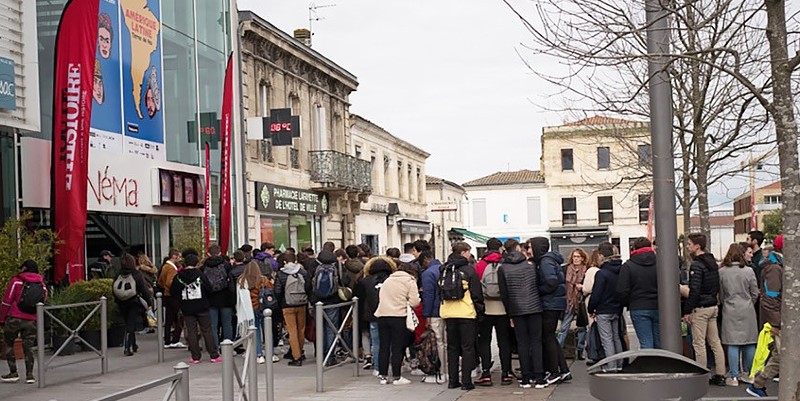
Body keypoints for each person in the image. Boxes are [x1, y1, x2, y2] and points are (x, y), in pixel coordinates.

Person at [498, 239, 547, 389]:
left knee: (522, 343)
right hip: (534, 307)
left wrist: (510, 314)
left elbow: (504, 294)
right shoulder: (531, 266)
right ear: (519, 248)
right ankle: (539, 377)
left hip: (516, 309)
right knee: (536, 342)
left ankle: (525, 378)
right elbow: (538, 285)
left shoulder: (503, 268)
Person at [440, 242, 484, 391]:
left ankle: (453, 380)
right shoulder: (469, 271)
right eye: (469, 252)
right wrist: (480, 312)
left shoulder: (444, 270)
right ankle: (466, 381)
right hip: (466, 313)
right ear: (464, 252)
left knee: (452, 348)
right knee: (467, 348)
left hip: (448, 313)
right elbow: (476, 294)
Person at [683, 233, 726, 386]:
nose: (687, 247)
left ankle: (702, 375)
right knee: (715, 342)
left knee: (699, 343)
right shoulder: (712, 263)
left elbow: (694, 290)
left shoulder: (696, 265)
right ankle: (720, 374)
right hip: (712, 306)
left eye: (689, 244)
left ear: (697, 246)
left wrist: (687, 310)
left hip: (700, 308)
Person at [529, 237, 569, 384]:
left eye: (530, 247)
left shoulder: (545, 262)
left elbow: (551, 282)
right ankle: (563, 370)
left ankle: (554, 372)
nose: (528, 250)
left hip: (550, 303)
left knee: (548, 337)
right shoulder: (550, 260)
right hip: (556, 302)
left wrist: (538, 291)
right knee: (551, 336)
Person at [746, 234, 783, 398]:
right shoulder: (774, 268)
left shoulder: (775, 266)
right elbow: (771, 296)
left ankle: (758, 383)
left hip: (780, 318)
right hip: (779, 319)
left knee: (780, 354)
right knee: (781, 354)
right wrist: (776, 322)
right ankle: (758, 383)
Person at [374, 261, 420, 385]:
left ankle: (383, 375)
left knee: (384, 346)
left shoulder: (388, 281)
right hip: (399, 316)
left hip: (382, 315)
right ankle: (396, 376)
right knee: (397, 347)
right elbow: (415, 302)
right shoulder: (410, 281)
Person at [474, 237, 513, 386]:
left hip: (485, 308)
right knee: (504, 342)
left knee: (484, 341)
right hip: (503, 309)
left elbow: (476, 287)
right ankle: (506, 374)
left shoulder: (480, 265)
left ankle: (486, 374)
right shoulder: (505, 263)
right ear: (500, 249)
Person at [718, 243, 758, 386]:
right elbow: (755, 292)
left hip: (730, 308)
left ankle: (733, 375)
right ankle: (748, 373)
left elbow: (721, 295)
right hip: (747, 308)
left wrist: (726, 303)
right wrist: (749, 302)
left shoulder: (722, 272)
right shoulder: (749, 271)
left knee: (732, 343)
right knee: (749, 342)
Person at [0, 260, 47, 384]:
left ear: (24, 268)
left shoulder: (17, 281)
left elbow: (7, 300)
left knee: (9, 343)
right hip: (32, 319)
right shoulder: (41, 283)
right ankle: (30, 375)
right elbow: (44, 300)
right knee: (29, 347)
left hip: (14, 317)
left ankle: (13, 373)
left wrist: (2, 318)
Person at [170, 253, 221, 364]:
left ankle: (195, 356)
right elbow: (209, 289)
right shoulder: (200, 274)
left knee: (191, 331)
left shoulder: (178, 276)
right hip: (202, 306)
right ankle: (213, 354)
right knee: (207, 330)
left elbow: (173, 291)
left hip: (187, 307)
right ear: (196, 263)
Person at [616, 237, 660, 349]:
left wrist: (628, 303)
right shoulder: (660, 263)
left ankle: (649, 365)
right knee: (659, 342)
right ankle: (660, 365)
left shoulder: (628, 265)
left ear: (634, 248)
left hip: (638, 306)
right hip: (659, 306)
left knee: (646, 343)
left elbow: (622, 290)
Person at [356, 256, 396, 376]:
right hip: (390, 313)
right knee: (391, 342)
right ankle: (392, 367)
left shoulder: (365, 281)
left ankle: (378, 368)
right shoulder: (392, 279)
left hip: (373, 315)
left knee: (376, 343)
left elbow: (360, 299)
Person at [588, 242, 624, 372]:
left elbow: (596, 294)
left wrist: (591, 309)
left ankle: (611, 366)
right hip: (617, 308)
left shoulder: (602, 273)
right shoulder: (620, 270)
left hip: (603, 309)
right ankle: (619, 364)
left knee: (606, 339)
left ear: (601, 255)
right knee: (616, 337)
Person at [274, 252, 312, 366]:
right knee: (301, 329)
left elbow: (278, 290)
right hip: (301, 303)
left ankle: (296, 356)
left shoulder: (281, 273)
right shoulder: (303, 272)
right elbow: (308, 287)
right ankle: (300, 351)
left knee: (292, 331)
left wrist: (280, 302)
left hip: (287, 305)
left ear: (285, 261)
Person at [114, 254, 151, 357]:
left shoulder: (118, 274)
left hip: (121, 302)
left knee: (128, 323)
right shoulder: (137, 274)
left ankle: (133, 344)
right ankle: (127, 347)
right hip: (134, 301)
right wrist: (149, 302)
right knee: (131, 324)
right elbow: (143, 289)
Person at [418, 250, 446, 383]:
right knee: (448, 342)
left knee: (439, 341)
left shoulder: (428, 273)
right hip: (450, 310)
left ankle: (442, 371)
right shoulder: (445, 268)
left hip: (435, 311)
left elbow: (428, 296)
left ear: (425, 260)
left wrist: (427, 315)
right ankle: (450, 369)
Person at [310, 249, 341, 366]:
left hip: (317, 302)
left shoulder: (314, 267)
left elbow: (308, 284)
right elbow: (343, 281)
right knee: (331, 329)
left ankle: (321, 355)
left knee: (320, 328)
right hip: (333, 301)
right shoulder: (336, 267)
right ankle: (330, 356)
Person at [202, 244, 235, 349]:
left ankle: (215, 347)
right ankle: (228, 347)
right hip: (226, 298)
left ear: (208, 254)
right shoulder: (226, 265)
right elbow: (231, 284)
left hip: (210, 299)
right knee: (227, 324)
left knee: (213, 326)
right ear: (220, 253)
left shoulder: (204, 267)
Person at [557, 248, 589, 359]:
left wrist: (582, 287)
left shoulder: (587, 270)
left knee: (582, 327)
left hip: (581, 302)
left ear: (583, 258)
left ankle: (580, 350)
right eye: (574, 256)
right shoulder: (565, 269)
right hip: (568, 302)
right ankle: (557, 350)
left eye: (578, 257)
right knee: (564, 328)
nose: (576, 259)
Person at [157, 249, 185, 349]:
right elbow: (170, 282)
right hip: (173, 296)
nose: (180, 259)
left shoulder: (165, 266)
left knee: (169, 319)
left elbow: (160, 281)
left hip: (166, 295)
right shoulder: (171, 269)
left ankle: (167, 340)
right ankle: (175, 340)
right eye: (179, 257)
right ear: (174, 256)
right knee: (178, 318)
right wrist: (178, 286)